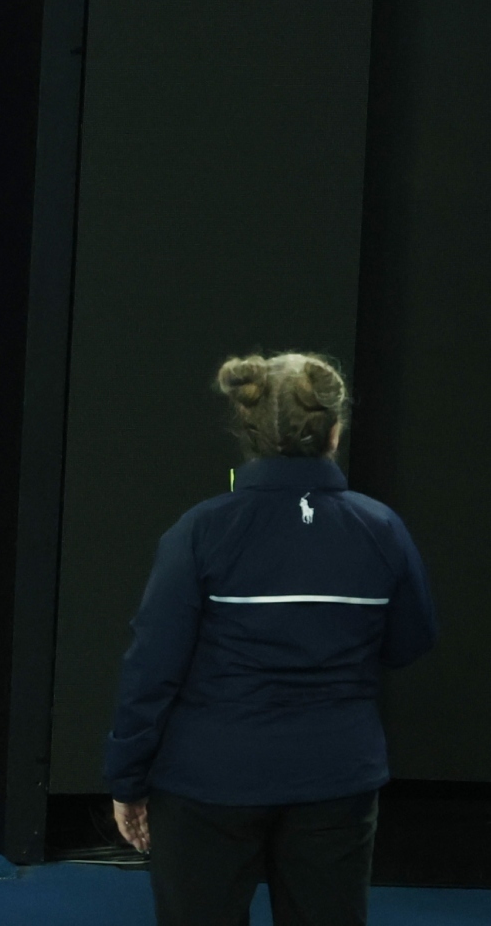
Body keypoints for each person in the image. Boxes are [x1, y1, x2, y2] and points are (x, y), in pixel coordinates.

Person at [106, 353, 437, 926]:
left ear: (248, 431)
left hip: (206, 781)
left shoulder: (200, 531)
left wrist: (126, 779)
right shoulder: (382, 529)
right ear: (334, 431)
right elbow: (410, 641)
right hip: (336, 777)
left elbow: (151, 667)